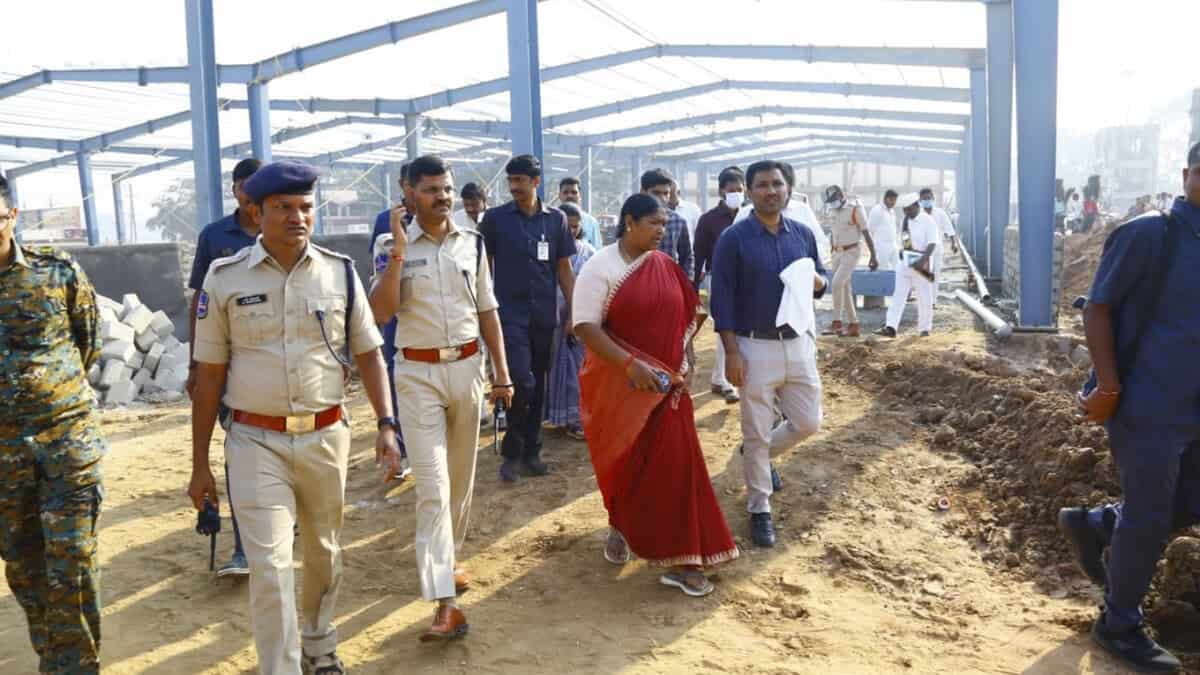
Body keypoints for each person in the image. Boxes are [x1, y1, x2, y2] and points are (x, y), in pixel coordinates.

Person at [189, 160, 403, 675]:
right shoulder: (225, 279)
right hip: (254, 441)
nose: (296, 217)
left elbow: (370, 354)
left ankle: (319, 643)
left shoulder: (340, 273)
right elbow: (208, 376)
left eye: (305, 207)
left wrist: (387, 424)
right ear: (254, 211)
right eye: (282, 208)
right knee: (270, 565)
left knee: (325, 553)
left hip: (326, 436)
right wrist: (200, 465)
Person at [1059, 142, 1200, 674]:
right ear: (1187, 174)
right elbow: (1097, 310)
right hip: (1148, 402)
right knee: (1151, 512)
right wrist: (1110, 388)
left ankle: (1096, 524)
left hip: (1195, 406)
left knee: (1189, 503)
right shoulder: (1150, 234)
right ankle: (1118, 622)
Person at [368, 154, 515, 643]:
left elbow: (488, 309)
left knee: (459, 481)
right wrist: (397, 254)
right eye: (431, 189)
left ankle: (447, 560)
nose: (443, 197)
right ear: (408, 193)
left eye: (447, 189)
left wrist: (502, 375)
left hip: (468, 369)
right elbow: (381, 312)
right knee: (431, 485)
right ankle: (445, 603)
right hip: (417, 374)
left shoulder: (471, 243)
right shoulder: (392, 245)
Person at [574, 193, 739, 596]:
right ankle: (622, 524)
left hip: (669, 390)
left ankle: (686, 558)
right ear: (629, 222)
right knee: (625, 462)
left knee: (678, 470)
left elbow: (685, 313)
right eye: (654, 224)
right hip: (621, 387)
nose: (662, 232)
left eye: (665, 225)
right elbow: (584, 326)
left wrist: (684, 361)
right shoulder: (601, 267)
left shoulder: (663, 265)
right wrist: (632, 365)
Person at [0, 172, 105, 674]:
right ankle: (56, 658)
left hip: (66, 442)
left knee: (72, 561)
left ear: (11, 215)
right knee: (24, 566)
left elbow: (88, 343)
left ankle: (76, 667)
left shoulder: (56, 270)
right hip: (3, 460)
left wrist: (49, 401)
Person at [711, 160, 828, 548]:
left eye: (777, 184)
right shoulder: (734, 239)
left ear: (788, 189)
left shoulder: (803, 234)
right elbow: (722, 297)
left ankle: (755, 453)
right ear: (748, 191)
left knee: (807, 421)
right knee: (756, 426)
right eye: (762, 185)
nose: (771, 191)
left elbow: (820, 281)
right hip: (754, 345)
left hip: (798, 342)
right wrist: (731, 352)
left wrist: (817, 280)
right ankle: (759, 508)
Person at [184, 156, 261, 578]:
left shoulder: (281, 228)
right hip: (227, 364)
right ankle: (243, 547)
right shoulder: (215, 237)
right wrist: (197, 364)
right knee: (239, 449)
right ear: (235, 190)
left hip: (278, 365)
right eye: (247, 185)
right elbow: (199, 302)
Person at [479, 155, 576, 482]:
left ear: (536, 182)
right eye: (511, 181)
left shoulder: (556, 220)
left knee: (538, 383)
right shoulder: (495, 220)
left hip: (544, 315)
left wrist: (574, 311)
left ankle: (531, 451)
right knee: (522, 380)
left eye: (521, 181)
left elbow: (564, 268)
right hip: (507, 314)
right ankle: (511, 451)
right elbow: (484, 267)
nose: (514, 187)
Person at [369, 164, 414, 481]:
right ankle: (400, 448)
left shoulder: (442, 221)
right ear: (403, 185)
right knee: (396, 378)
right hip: (395, 316)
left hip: (428, 318)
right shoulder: (386, 221)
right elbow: (378, 267)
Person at [693, 166, 745, 405]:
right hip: (720, 279)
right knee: (727, 327)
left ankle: (722, 377)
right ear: (722, 191)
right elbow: (699, 253)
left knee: (742, 330)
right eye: (731, 189)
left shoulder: (750, 215)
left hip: (748, 279)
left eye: (740, 189)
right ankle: (726, 381)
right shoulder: (709, 220)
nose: (736, 193)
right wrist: (693, 286)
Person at [544, 203, 596, 439]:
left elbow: (595, 287)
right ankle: (555, 417)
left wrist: (577, 315)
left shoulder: (588, 253)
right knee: (552, 369)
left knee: (577, 371)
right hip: (550, 318)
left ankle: (576, 420)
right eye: (568, 226)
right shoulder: (545, 249)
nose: (572, 231)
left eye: (576, 227)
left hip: (580, 321)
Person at [879, 193, 939, 338]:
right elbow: (905, 241)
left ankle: (924, 329)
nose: (906, 212)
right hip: (906, 261)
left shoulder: (928, 221)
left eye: (909, 209)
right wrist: (903, 251)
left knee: (924, 297)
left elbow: (932, 243)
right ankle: (891, 327)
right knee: (898, 295)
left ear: (916, 206)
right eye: (904, 210)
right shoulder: (906, 220)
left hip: (922, 261)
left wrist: (922, 261)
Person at [822, 184, 877, 338]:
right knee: (845, 289)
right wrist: (832, 250)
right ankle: (854, 325)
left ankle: (837, 323)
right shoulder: (832, 210)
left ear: (842, 196)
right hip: (836, 253)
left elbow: (866, 233)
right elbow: (834, 232)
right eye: (830, 200)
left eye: (834, 199)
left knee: (836, 283)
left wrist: (873, 255)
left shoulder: (855, 209)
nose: (832, 202)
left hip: (851, 252)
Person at [641, 169, 693, 278]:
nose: (662, 198)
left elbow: (687, 256)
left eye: (666, 193)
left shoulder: (678, 221)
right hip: (638, 281)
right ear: (643, 192)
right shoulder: (633, 220)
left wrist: (684, 283)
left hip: (668, 281)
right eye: (656, 193)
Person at [920, 188, 956, 305]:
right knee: (925, 276)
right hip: (923, 251)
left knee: (935, 275)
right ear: (920, 200)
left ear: (933, 199)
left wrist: (953, 243)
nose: (927, 200)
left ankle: (933, 301)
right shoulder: (918, 214)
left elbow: (949, 228)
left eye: (928, 198)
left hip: (937, 250)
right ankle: (925, 300)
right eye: (924, 199)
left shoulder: (940, 213)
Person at [557, 177, 603, 249]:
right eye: (565, 192)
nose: (570, 195)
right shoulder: (551, 219)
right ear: (559, 195)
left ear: (580, 195)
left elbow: (598, 251)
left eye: (574, 192)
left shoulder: (591, 222)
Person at [867, 189, 899, 272]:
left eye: (895, 200)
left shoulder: (892, 211)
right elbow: (870, 229)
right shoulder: (877, 210)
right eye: (891, 200)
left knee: (898, 268)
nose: (893, 203)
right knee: (882, 269)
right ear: (885, 199)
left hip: (893, 244)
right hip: (881, 246)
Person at [668, 180, 703, 246]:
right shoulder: (659, 211)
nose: (668, 197)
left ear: (678, 192)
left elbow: (700, 234)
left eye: (671, 194)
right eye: (666, 193)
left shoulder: (692, 209)